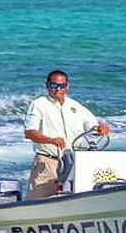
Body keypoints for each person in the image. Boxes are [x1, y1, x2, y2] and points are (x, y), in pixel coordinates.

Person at [23, 69, 110, 200]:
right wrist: (51, 140)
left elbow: (92, 126)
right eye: (54, 85)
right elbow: (29, 132)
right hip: (48, 162)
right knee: (37, 204)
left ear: (67, 86)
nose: (58, 89)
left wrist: (101, 128)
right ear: (47, 85)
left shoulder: (75, 106)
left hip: (74, 161)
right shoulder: (39, 104)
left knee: (75, 200)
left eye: (61, 86)